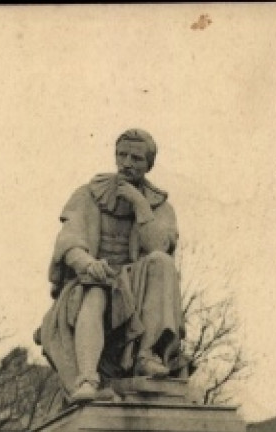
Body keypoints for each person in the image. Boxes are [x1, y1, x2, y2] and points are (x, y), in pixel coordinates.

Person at [37, 128, 187, 405]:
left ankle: (147, 355)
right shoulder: (88, 194)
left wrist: (140, 204)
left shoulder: (159, 206)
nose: (127, 163)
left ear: (148, 164)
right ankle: (87, 379)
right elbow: (69, 240)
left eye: (136, 158)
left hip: (134, 284)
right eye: (122, 155)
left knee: (162, 263)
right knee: (96, 292)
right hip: (92, 278)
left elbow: (158, 247)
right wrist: (87, 263)